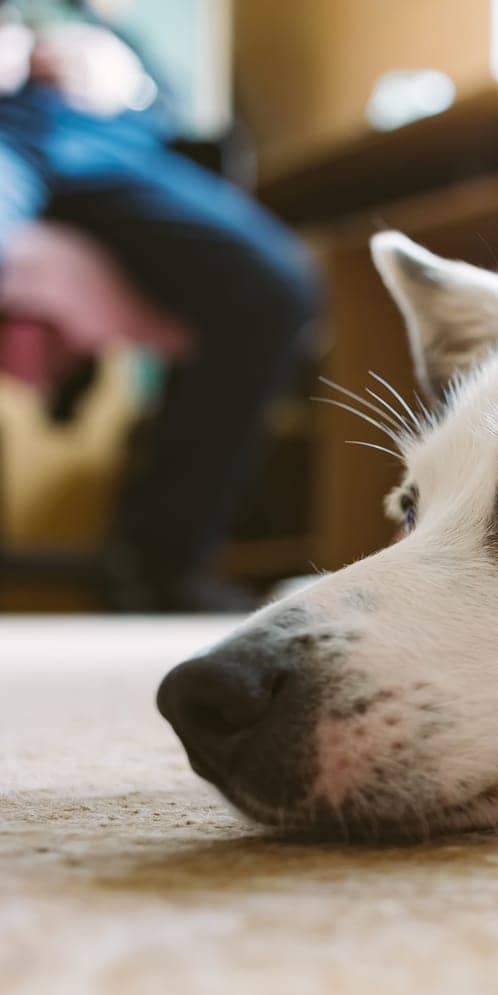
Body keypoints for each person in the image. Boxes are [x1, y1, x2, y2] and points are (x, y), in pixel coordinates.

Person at [0, 0, 319, 610]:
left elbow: (175, 115)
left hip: (119, 151)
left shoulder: (112, 33)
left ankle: (161, 564)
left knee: (277, 285)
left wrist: (129, 81)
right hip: (8, 132)